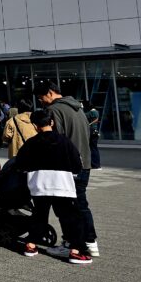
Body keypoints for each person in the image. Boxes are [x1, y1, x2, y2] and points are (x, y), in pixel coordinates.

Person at [33, 80, 99, 257]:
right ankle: (90, 241)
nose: (41, 102)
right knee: (81, 205)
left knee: (67, 209)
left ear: (49, 93)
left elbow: (54, 140)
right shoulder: (78, 108)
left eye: (41, 98)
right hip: (84, 163)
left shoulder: (54, 110)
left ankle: (72, 244)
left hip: (67, 167)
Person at [18, 108, 92, 264]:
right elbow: (77, 164)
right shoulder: (65, 141)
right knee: (70, 218)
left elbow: (21, 163)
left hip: (39, 185)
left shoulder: (31, 143)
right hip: (62, 185)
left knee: (39, 215)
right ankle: (76, 250)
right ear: (51, 122)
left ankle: (31, 245)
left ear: (35, 125)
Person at [84, 101, 101, 170]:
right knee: (94, 148)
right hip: (95, 131)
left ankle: (95, 164)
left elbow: (83, 115)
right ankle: (96, 164)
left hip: (91, 131)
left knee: (92, 148)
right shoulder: (96, 112)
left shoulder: (91, 113)